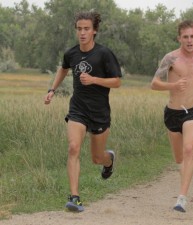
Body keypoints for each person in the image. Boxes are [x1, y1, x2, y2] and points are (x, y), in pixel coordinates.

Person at [44, 11, 122, 212]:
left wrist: (94, 79)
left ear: (94, 30)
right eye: (79, 29)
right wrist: (52, 90)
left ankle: (109, 160)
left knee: (97, 158)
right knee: (73, 147)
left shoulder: (104, 54)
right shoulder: (71, 53)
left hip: (100, 112)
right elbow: (63, 68)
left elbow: (117, 81)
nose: (82, 33)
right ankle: (74, 197)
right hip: (78, 110)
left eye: (86, 29)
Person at [150, 20, 193, 213]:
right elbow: (154, 83)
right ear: (179, 38)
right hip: (173, 112)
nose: (189, 40)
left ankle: (182, 198)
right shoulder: (170, 59)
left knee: (189, 150)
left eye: (192, 36)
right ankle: (183, 182)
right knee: (179, 159)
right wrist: (172, 86)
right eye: (185, 37)